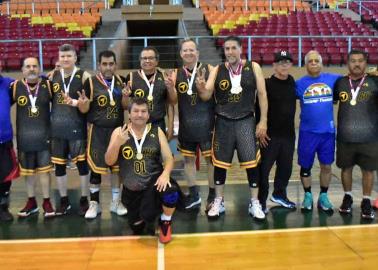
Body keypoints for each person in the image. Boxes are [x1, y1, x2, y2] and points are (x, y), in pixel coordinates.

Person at [196, 36, 268, 220]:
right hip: (223, 122)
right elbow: (206, 95)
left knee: (252, 164)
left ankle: (254, 202)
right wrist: (201, 87)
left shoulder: (253, 67)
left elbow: (261, 94)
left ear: (241, 48)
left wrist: (263, 121)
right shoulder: (217, 69)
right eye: (227, 49)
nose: (230, 52)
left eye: (233, 48)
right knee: (220, 164)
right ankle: (219, 201)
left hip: (246, 121)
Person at [105, 97, 179, 243]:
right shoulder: (119, 132)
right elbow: (109, 161)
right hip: (131, 193)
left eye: (143, 111)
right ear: (129, 114)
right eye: (136, 111)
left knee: (171, 193)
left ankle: (165, 221)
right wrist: (117, 144)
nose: (140, 114)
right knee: (137, 228)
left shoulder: (156, 131)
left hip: (153, 187)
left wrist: (165, 174)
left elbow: (169, 157)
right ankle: (148, 216)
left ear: (148, 115)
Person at [165, 38, 215, 210]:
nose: (188, 53)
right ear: (181, 53)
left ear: (197, 53)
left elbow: (210, 96)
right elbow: (172, 101)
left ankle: (213, 196)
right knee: (188, 161)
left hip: (207, 124)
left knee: (211, 161)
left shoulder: (209, 70)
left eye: (192, 50)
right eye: (185, 50)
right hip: (187, 125)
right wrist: (171, 88)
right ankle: (194, 196)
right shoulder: (175, 73)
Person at [79, 50, 128, 219]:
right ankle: (95, 204)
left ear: (115, 65)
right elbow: (83, 109)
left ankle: (115, 202)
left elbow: (126, 106)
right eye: (104, 64)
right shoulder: (90, 83)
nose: (108, 67)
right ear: (99, 65)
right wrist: (83, 104)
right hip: (97, 131)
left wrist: (126, 97)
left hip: (117, 132)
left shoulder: (122, 82)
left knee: (116, 169)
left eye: (111, 64)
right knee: (96, 168)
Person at [334, 50, 378, 220]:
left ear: (366, 63)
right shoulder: (340, 83)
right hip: (345, 137)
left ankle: (366, 200)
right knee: (346, 169)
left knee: (368, 170)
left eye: (360, 61)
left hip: (370, 137)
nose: (357, 64)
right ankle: (348, 196)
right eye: (353, 61)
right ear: (347, 63)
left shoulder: (374, 81)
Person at [296, 50, 341, 212]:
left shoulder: (334, 79)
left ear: (321, 63)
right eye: (310, 61)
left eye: (317, 60)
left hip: (327, 133)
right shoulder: (299, 84)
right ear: (306, 64)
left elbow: (353, 78)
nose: (314, 63)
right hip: (307, 133)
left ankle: (323, 196)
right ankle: (308, 196)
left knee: (326, 166)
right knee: (306, 167)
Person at [50, 44, 91, 215]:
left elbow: (87, 105)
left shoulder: (84, 76)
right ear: (59, 58)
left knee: (81, 165)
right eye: (62, 56)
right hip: (57, 129)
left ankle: (84, 198)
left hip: (76, 127)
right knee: (59, 167)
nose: (65, 59)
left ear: (75, 57)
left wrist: (75, 103)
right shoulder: (53, 77)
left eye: (69, 56)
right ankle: (64, 199)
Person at [11, 57, 55, 218]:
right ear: (22, 70)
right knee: (28, 173)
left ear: (39, 68)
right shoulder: (15, 87)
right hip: (24, 139)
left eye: (34, 66)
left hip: (44, 138)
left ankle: (47, 201)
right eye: (28, 66)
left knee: (44, 172)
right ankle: (31, 202)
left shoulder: (48, 86)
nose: (31, 69)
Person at [257, 51, 296, 213]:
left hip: (288, 135)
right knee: (264, 170)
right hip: (269, 136)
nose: (284, 65)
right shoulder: (266, 84)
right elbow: (257, 108)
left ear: (291, 65)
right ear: (274, 65)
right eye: (280, 62)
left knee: (286, 168)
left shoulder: (292, 81)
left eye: (287, 62)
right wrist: (259, 128)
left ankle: (279, 194)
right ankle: (260, 201)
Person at [126, 46, 175, 139]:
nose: (147, 61)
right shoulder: (131, 77)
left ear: (157, 61)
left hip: (158, 123)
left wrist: (171, 127)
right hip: (137, 124)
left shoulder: (164, 76)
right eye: (144, 58)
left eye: (151, 58)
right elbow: (126, 106)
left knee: (159, 152)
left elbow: (171, 103)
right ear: (140, 61)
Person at [0, 60, 19, 222]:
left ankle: (3, 207)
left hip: (4, 140)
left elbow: (28, 81)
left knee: (6, 176)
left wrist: (46, 75)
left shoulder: (8, 84)